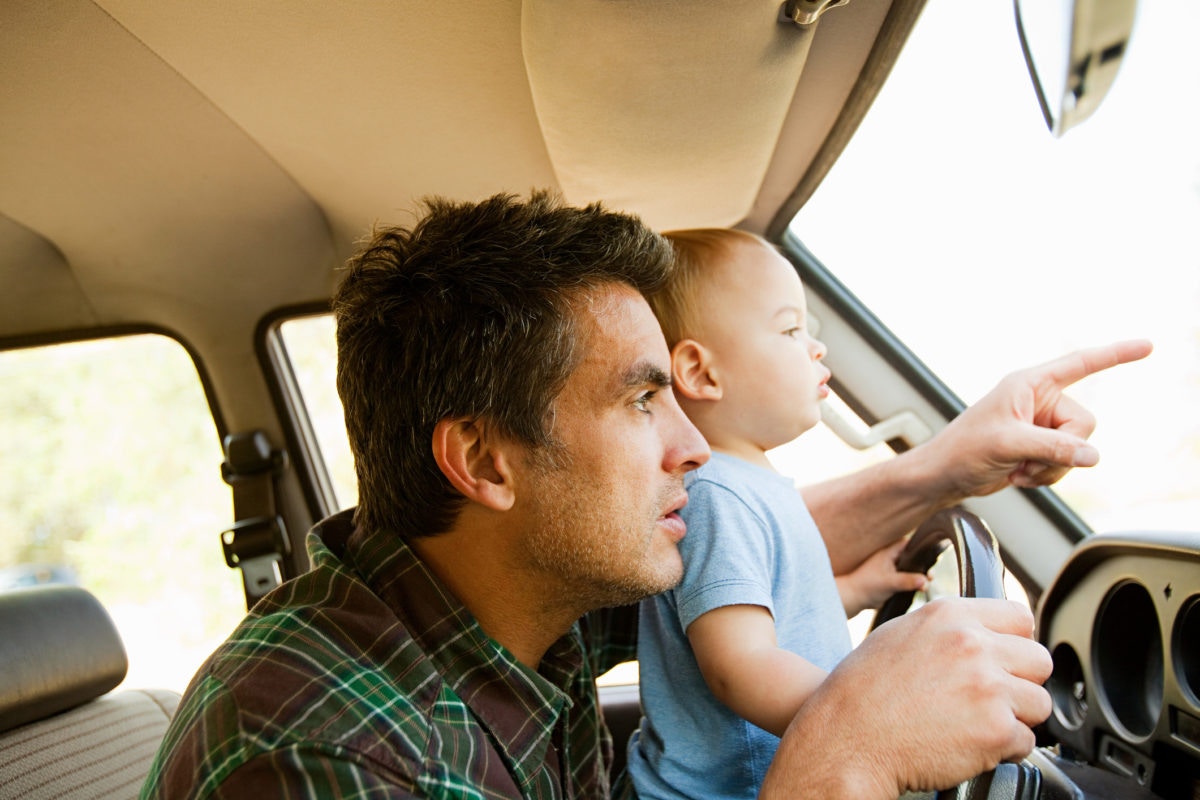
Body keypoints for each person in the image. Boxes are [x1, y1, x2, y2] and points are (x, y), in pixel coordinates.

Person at [140, 191, 1151, 799]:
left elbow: (743, 541)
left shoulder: (514, 602)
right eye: (640, 401)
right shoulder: (317, 744)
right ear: (486, 461)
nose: (693, 448)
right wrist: (842, 753)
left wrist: (949, 465)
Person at [628, 228, 930, 800]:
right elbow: (739, 665)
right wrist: (876, 718)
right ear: (701, 373)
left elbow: (766, 619)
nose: (815, 349)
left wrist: (858, 588)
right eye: (791, 330)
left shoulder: (750, 483)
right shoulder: (717, 494)